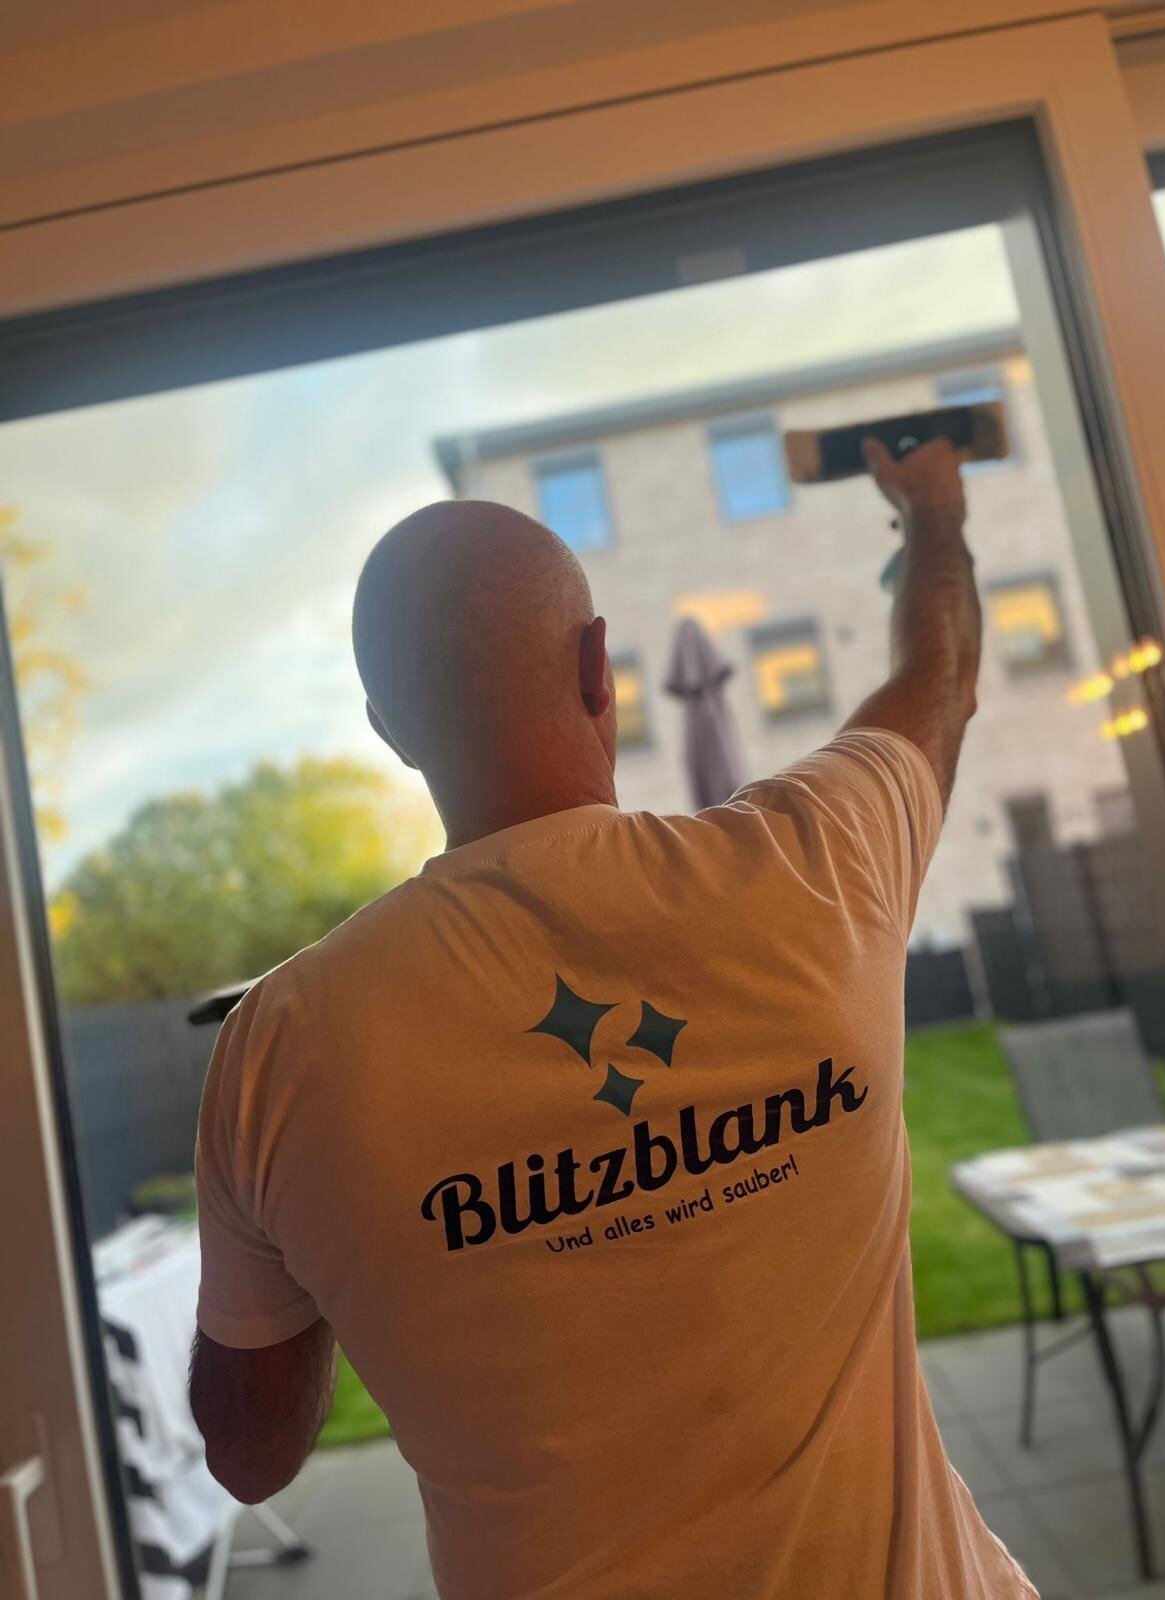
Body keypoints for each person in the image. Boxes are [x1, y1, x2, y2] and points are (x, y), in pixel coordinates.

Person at [190, 437, 1037, 1599]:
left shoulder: (282, 1048)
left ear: (390, 731)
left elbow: (248, 1455)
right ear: (600, 667)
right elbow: (941, 676)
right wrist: (933, 518)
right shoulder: (819, 861)